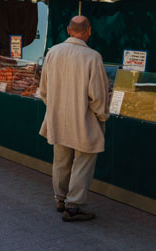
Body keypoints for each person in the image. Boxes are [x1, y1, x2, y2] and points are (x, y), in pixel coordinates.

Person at [37, 15, 109, 222]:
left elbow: (44, 90)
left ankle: (60, 198)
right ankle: (74, 205)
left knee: (60, 160)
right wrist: (101, 116)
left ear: (69, 30)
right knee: (83, 162)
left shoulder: (53, 52)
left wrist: (54, 107)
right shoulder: (92, 56)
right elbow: (98, 95)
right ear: (89, 32)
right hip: (84, 119)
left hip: (57, 116)